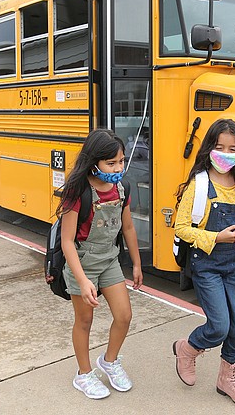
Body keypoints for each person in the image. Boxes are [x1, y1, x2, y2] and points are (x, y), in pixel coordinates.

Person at [172, 118, 235, 408]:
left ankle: (227, 379)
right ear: (209, 149)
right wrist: (216, 237)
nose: (225, 153)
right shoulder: (200, 184)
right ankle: (188, 348)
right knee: (219, 326)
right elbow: (181, 228)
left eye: (232, 148)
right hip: (206, 264)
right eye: (219, 147)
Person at [58, 128, 142, 400]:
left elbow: (127, 227)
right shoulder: (77, 191)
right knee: (84, 320)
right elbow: (67, 241)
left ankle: (109, 360)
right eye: (111, 163)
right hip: (82, 262)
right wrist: (82, 281)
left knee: (124, 315)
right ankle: (83, 374)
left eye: (121, 161)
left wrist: (137, 264)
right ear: (94, 161)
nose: (118, 168)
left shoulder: (122, 187)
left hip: (109, 259)